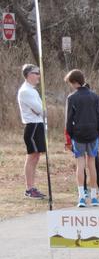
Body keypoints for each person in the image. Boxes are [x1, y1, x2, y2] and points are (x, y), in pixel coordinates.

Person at [64, 69, 99, 207]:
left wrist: (70, 135)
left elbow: (68, 120)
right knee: (92, 165)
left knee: (80, 165)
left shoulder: (71, 98)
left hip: (78, 135)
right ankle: (94, 197)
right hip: (93, 134)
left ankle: (81, 197)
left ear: (74, 82)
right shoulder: (95, 96)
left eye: (70, 83)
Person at [17, 64, 46, 199]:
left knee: (36, 157)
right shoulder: (25, 91)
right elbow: (40, 110)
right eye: (36, 73)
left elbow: (41, 109)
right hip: (32, 126)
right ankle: (29, 189)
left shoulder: (32, 90)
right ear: (29, 75)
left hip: (38, 125)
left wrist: (40, 110)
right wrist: (40, 110)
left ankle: (32, 187)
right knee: (32, 157)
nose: (39, 76)